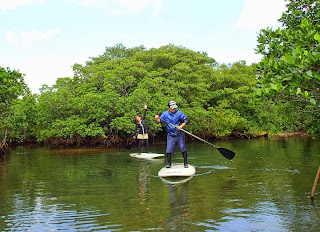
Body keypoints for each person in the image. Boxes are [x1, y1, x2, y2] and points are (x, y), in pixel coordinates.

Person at [155, 100, 188, 168]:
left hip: (179, 134)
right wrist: (156, 118)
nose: (174, 109)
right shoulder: (165, 114)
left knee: (182, 148)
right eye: (172, 108)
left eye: (174, 108)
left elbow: (185, 120)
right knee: (169, 149)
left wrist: (181, 126)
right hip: (170, 135)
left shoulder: (179, 113)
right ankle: (169, 164)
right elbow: (160, 121)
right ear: (169, 107)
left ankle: (185, 163)